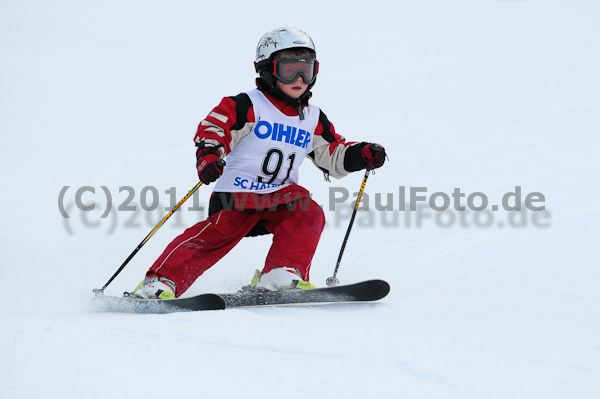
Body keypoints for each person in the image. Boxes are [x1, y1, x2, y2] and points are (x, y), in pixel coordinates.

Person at [133, 27, 386, 299]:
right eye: (289, 70)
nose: (300, 78)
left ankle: (281, 273)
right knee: (213, 237)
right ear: (267, 69)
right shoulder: (247, 105)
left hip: (281, 196)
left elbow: (332, 154)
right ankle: (160, 282)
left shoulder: (312, 117)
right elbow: (215, 129)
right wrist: (208, 155)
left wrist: (360, 155)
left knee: (308, 213)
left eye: (307, 70)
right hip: (239, 193)